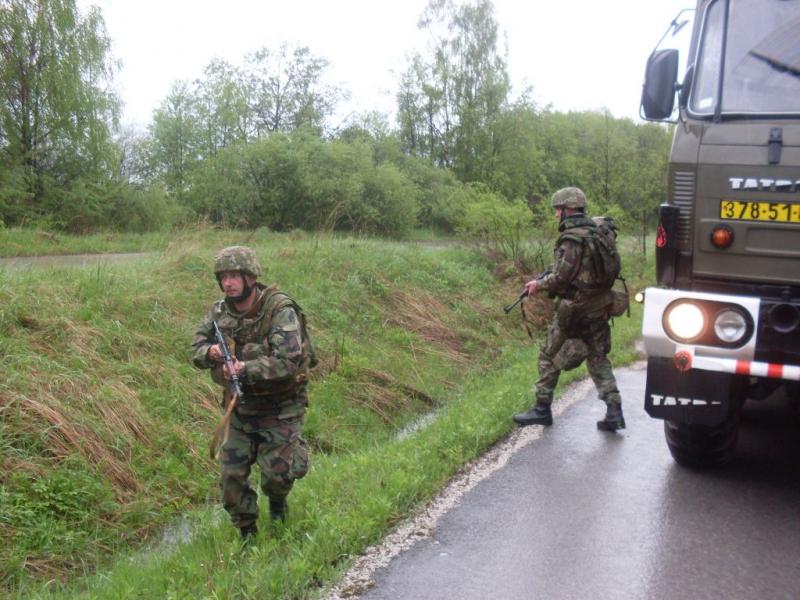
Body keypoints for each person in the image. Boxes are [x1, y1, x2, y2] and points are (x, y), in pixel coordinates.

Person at [191, 246, 312, 541]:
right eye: (223, 277)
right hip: (240, 410)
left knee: (277, 477)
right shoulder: (219, 312)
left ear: (250, 277)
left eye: (234, 276)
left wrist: (244, 368)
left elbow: (288, 362)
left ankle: (279, 502)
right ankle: (248, 535)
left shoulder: (279, 310)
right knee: (230, 480)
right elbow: (194, 349)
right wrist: (211, 352)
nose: (228, 283)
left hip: (280, 407)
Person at [513, 187, 625, 431]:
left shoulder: (572, 239)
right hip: (599, 307)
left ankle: (542, 409)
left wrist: (537, 285)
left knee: (548, 355)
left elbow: (561, 278)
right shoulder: (597, 233)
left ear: (567, 209)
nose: (556, 215)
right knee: (597, 358)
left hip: (574, 310)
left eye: (558, 210)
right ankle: (614, 410)